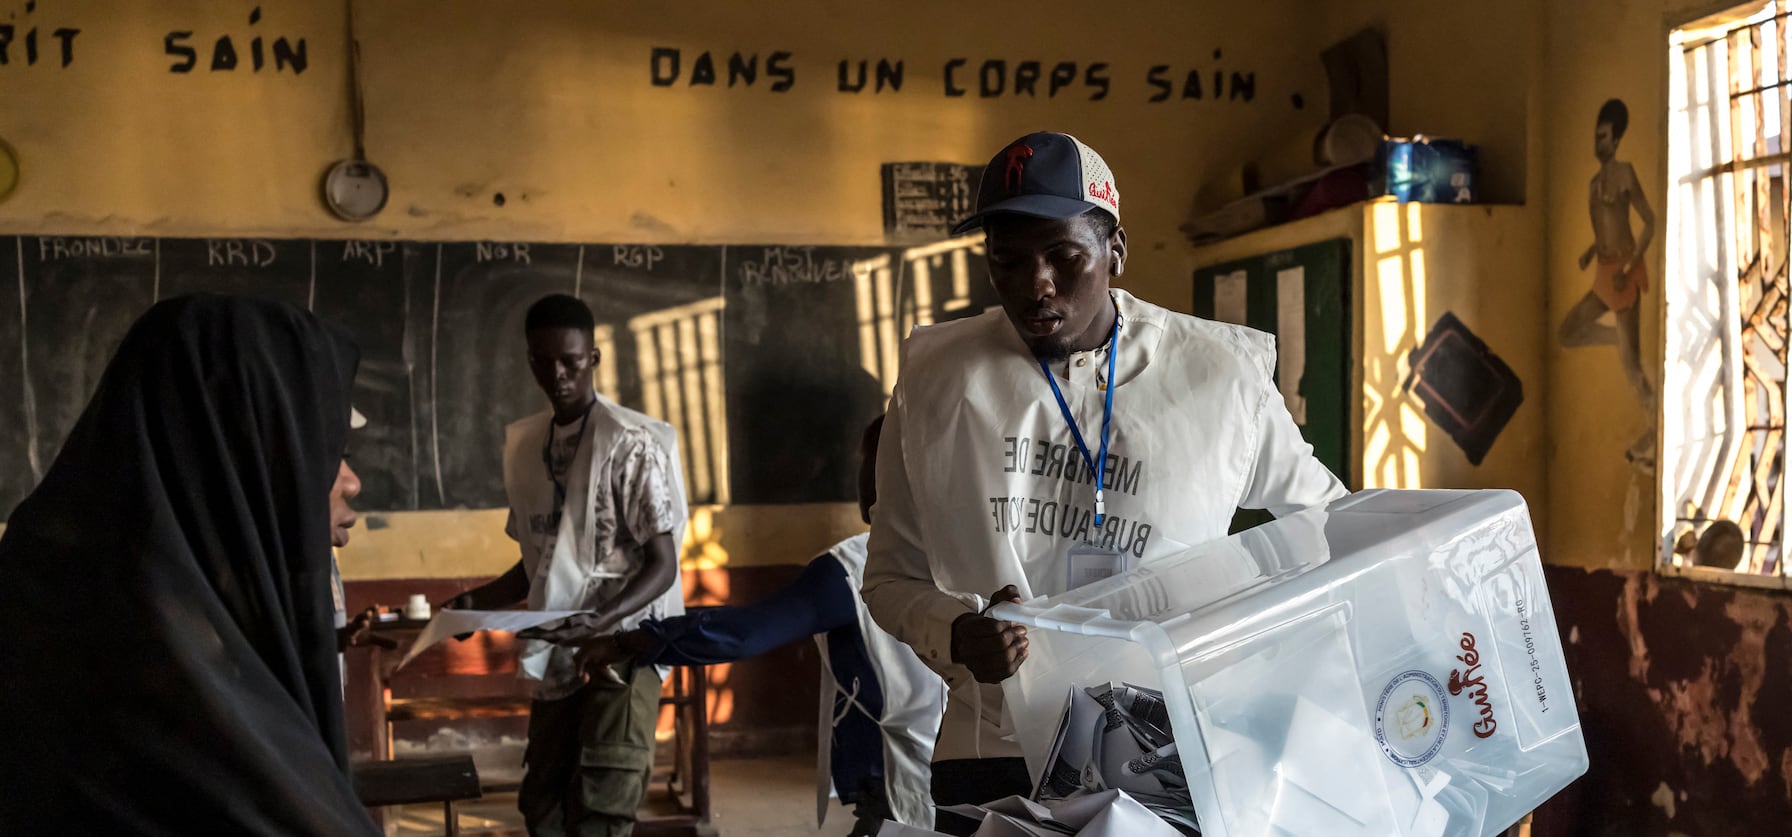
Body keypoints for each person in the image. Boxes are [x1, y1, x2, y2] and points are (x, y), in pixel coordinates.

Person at [860, 131, 1348, 823]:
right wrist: (958, 631)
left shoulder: (1215, 375)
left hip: (1165, 745)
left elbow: (1328, 529)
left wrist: (1249, 664)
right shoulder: (938, 379)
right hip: (992, 747)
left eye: (1065, 257)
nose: (1037, 285)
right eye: (1008, 260)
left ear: (1115, 248)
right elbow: (888, 579)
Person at [0, 294, 377, 835]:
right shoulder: (156, 690)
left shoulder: (81, 599)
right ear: (238, 454)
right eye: (321, 447)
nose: (349, 479)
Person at [577, 416, 945, 836]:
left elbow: (742, 633)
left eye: (865, 461)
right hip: (951, 770)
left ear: (888, 474)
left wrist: (631, 642)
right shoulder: (959, 559)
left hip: (903, 786)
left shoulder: (854, 567)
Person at [441, 294, 687, 837]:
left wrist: (603, 621)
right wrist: (472, 605)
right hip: (559, 649)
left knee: (602, 805)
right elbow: (540, 563)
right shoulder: (529, 447)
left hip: (621, 646)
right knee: (543, 804)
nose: (557, 375)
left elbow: (662, 564)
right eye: (543, 361)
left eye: (570, 361)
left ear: (593, 358)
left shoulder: (628, 444)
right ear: (529, 360)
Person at [1558, 98, 1657, 466]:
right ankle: (1616, 337)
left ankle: (1655, 430)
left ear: (1616, 140)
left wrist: (1629, 267)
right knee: (1568, 332)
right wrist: (1588, 252)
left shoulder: (1626, 173)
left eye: (1603, 137)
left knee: (1632, 367)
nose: (1597, 144)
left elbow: (1649, 222)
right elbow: (1606, 228)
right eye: (1595, 137)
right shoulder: (1592, 184)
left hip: (1624, 274)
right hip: (1603, 273)